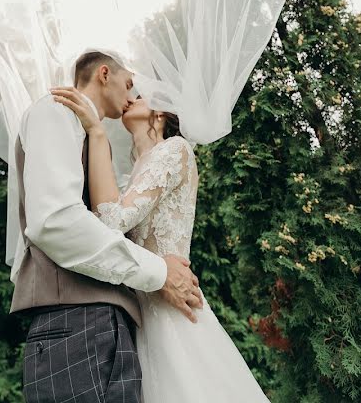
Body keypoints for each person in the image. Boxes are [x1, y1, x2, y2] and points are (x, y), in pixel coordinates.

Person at [49, 74, 272, 401]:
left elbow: (112, 220)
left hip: (171, 308)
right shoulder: (136, 170)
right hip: (142, 310)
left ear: (163, 111)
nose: (130, 99)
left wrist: (97, 133)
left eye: (139, 96)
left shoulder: (175, 150)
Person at [10, 50, 204, 403]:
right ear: (104, 74)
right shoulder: (55, 111)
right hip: (78, 321)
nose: (132, 96)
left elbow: (106, 222)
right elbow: (55, 222)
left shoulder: (95, 140)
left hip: (111, 323)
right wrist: (158, 271)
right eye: (129, 84)